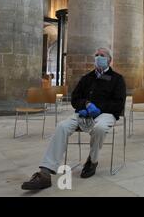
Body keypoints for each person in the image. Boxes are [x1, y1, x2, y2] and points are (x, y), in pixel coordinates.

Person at [21, 48, 126, 190]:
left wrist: (98, 108)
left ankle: (92, 161)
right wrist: (86, 104)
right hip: (84, 112)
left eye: (102, 55)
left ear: (109, 60)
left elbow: (119, 103)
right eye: (96, 55)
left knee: (99, 128)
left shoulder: (117, 79)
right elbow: (75, 98)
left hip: (105, 113)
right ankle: (45, 172)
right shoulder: (86, 78)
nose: (98, 57)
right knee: (62, 126)